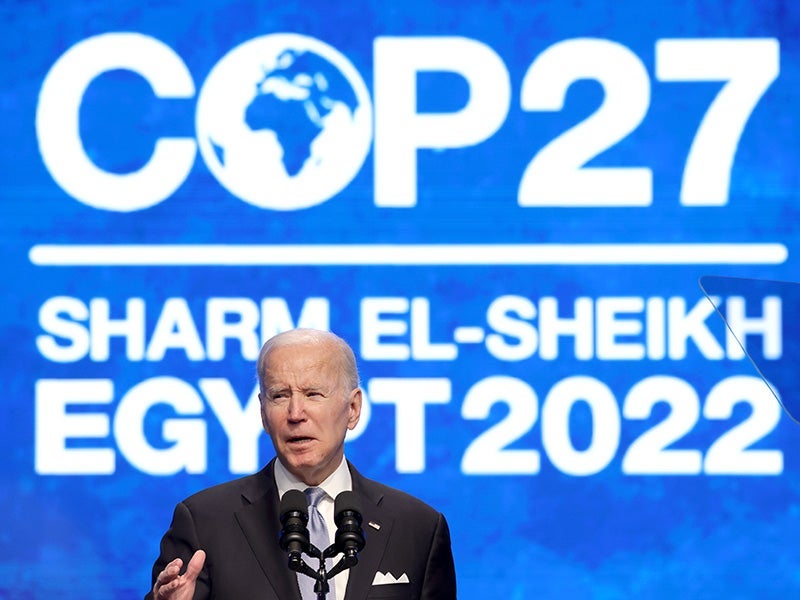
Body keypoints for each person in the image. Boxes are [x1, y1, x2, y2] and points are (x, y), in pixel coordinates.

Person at [147, 328, 457, 600]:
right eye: (280, 396)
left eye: (313, 394)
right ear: (262, 412)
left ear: (352, 408)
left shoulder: (417, 527)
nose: (296, 413)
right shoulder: (204, 522)